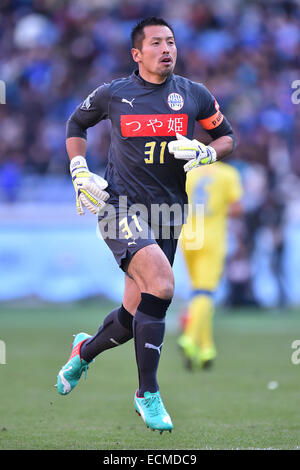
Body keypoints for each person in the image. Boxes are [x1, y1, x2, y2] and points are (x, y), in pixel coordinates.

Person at [56, 16, 235, 433]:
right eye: (156, 43)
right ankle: (147, 392)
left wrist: (209, 154)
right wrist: (79, 166)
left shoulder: (194, 95)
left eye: (170, 41)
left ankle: (83, 351)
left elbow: (227, 136)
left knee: (133, 315)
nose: (166, 49)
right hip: (119, 208)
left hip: (169, 213)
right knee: (165, 285)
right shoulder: (114, 94)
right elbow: (76, 123)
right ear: (137, 54)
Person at [178, 161, 243, 370]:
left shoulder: (190, 172)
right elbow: (237, 208)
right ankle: (190, 337)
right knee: (205, 293)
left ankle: (206, 348)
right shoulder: (228, 173)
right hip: (212, 239)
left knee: (198, 294)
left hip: (188, 237)